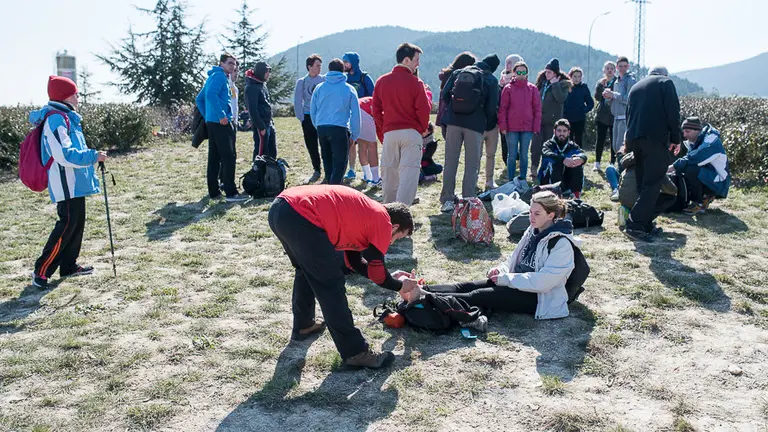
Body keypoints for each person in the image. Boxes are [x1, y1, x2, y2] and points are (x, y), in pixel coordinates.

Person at [268, 185, 419, 368]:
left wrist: (392, 278)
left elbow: (355, 263)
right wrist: (399, 286)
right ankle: (355, 352)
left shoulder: (364, 214)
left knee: (306, 270)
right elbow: (378, 274)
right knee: (331, 284)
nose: (392, 242)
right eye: (398, 237)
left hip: (281, 208)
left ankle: (304, 325)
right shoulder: (382, 220)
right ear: (394, 226)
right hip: (300, 215)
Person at [405, 191, 576, 319]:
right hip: (515, 282)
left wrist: (506, 279)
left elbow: (543, 283)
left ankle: (423, 296)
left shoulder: (561, 244)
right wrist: (500, 270)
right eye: (530, 211)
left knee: (480, 296)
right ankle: (418, 289)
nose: (531, 217)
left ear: (551, 215)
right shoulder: (534, 229)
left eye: (537, 213)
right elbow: (515, 259)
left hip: (540, 298)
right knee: (467, 286)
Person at [30, 76, 109, 288]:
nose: (78, 97)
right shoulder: (56, 119)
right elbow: (64, 155)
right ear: (65, 96)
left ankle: (68, 266)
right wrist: (93, 156)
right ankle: (41, 271)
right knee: (66, 225)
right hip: (65, 181)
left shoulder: (66, 117)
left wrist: (92, 156)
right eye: (75, 94)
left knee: (76, 223)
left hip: (74, 181)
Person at [624, 66, 682, 241]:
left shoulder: (636, 86)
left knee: (643, 183)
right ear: (664, 74)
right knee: (653, 183)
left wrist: (629, 141)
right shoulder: (665, 82)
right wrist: (676, 138)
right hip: (655, 139)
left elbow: (628, 114)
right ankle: (635, 224)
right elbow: (673, 112)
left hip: (635, 139)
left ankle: (645, 224)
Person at [371, 43, 432, 206]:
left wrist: (384, 129)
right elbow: (424, 109)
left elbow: (375, 110)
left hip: (390, 133)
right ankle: (402, 212)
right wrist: (422, 128)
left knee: (389, 174)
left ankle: (389, 211)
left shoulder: (381, 81)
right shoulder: (416, 82)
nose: (418, 64)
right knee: (409, 175)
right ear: (406, 60)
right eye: (416, 60)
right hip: (411, 133)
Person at [439, 54, 501, 213]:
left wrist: (455, 109)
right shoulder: (491, 80)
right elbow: (492, 107)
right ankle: (468, 200)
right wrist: (485, 121)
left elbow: (445, 94)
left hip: (453, 122)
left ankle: (447, 199)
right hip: (475, 125)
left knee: (450, 162)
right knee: (471, 165)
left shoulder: (458, 72)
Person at [196, 53, 249, 202]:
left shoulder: (213, 76)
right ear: (221, 63)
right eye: (230, 63)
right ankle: (231, 193)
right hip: (221, 123)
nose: (233, 66)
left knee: (214, 158)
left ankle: (214, 192)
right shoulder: (219, 76)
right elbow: (210, 95)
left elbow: (199, 99)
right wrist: (220, 115)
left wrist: (208, 116)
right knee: (229, 157)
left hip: (213, 123)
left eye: (234, 64)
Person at [310, 58, 361, 185]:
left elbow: (313, 110)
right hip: (339, 128)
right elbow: (355, 115)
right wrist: (354, 135)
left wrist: (318, 125)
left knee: (327, 161)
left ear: (329, 70)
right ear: (343, 70)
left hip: (322, 128)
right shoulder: (349, 89)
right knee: (340, 163)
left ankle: (329, 186)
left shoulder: (319, 88)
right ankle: (334, 189)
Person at [671, 117, 731, 215]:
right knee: (682, 171)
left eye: (687, 131)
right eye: (684, 132)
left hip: (720, 182)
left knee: (691, 169)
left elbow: (695, 159)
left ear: (697, 130)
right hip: (710, 177)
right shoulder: (695, 141)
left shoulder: (711, 140)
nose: (684, 135)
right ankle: (705, 197)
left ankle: (699, 203)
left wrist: (673, 167)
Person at [498, 61, 541, 181]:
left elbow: (537, 109)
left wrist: (536, 127)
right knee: (512, 155)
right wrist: (503, 126)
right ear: (514, 73)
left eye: (523, 72)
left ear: (527, 73)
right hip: (511, 128)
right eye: (518, 72)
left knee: (524, 155)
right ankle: (511, 179)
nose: (521, 75)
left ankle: (522, 179)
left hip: (527, 127)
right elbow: (503, 109)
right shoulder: (508, 89)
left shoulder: (532, 89)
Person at [531, 59, 572, 179]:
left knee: (549, 146)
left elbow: (561, 99)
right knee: (535, 145)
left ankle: (546, 169)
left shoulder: (563, 84)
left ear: (555, 73)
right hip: (539, 120)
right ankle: (534, 168)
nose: (546, 74)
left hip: (552, 121)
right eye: (546, 71)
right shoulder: (542, 83)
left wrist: (555, 85)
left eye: (549, 72)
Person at [342, 52, 376, 180]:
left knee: (364, 145)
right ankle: (351, 170)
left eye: (346, 62)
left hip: (364, 115)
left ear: (353, 62)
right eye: (343, 62)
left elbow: (373, 97)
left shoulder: (364, 78)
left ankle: (368, 173)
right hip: (348, 115)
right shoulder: (344, 78)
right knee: (351, 143)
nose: (344, 64)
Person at [293, 54, 326, 184]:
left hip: (322, 116)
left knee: (325, 144)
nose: (319, 68)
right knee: (312, 145)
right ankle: (317, 169)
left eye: (320, 66)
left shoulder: (324, 80)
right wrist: (301, 118)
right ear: (309, 66)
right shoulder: (302, 82)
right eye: (317, 65)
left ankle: (328, 170)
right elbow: (297, 101)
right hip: (307, 117)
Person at [537, 119, 587, 197]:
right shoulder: (548, 144)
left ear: (568, 132)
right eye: (559, 131)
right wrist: (563, 160)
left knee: (576, 164)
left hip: (566, 179)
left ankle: (575, 195)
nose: (562, 133)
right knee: (555, 162)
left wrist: (580, 159)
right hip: (548, 181)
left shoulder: (572, 146)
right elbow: (547, 153)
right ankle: (556, 193)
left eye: (564, 131)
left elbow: (582, 154)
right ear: (554, 131)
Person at [603, 56, 636, 163]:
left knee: (622, 147)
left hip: (625, 117)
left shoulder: (630, 80)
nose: (622, 69)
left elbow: (628, 99)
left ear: (628, 66)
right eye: (620, 66)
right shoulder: (616, 81)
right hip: (616, 117)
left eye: (625, 66)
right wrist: (608, 97)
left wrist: (613, 94)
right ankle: (619, 167)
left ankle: (623, 168)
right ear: (617, 67)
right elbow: (614, 100)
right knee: (615, 146)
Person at [436, 52, 477, 138]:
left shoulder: (446, 75)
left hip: (444, 114)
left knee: (449, 143)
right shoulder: (460, 77)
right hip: (457, 115)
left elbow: (444, 95)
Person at [245, 61, 277, 161]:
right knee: (261, 153)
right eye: (266, 72)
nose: (268, 74)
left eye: (269, 72)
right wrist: (261, 126)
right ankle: (258, 171)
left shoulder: (262, 85)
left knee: (272, 152)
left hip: (268, 123)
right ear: (261, 72)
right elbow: (252, 110)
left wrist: (270, 122)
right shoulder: (251, 87)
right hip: (261, 126)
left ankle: (270, 170)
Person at [479, 56, 502, 190]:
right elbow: (494, 104)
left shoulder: (473, 75)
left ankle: (473, 180)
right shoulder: (492, 80)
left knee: (476, 156)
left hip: (475, 123)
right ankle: (489, 180)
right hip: (491, 124)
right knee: (491, 154)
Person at [498, 54, 524, 167]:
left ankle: (517, 159)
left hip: (517, 114)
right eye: (506, 62)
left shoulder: (521, 77)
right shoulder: (502, 77)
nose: (507, 65)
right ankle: (506, 161)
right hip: (504, 114)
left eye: (510, 62)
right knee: (504, 138)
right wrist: (501, 86)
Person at [563, 67, 594, 148]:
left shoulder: (584, 87)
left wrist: (583, 110)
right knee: (567, 139)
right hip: (567, 118)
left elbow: (590, 103)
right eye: (575, 76)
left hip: (579, 118)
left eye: (579, 76)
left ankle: (578, 154)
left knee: (578, 139)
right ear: (570, 77)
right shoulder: (566, 87)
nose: (577, 79)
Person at [593, 61, 616, 170]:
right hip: (602, 115)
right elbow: (597, 97)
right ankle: (597, 162)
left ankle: (612, 162)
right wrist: (601, 87)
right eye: (607, 68)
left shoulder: (617, 82)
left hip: (614, 115)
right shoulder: (600, 82)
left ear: (615, 70)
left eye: (611, 68)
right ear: (604, 70)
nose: (609, 70)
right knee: (600, 139)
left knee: (614, 140)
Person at [357, 96, 382, 186]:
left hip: (355, 110)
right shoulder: (381, 103)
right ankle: (375, 179)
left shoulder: (372, 99)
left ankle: (368, 176)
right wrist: (383, 141)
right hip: (364, 112)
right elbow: (380, 124)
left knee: (362, 145)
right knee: (372, 146)